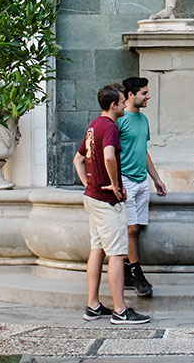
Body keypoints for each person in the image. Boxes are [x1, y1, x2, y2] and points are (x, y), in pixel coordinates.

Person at [73, 84, 150, 325]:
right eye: (120, 101)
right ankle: (120, 310)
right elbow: (108, 155)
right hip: (106, 201)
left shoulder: (93, 125)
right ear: (114, 105)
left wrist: (89, 183)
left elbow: (78, 159)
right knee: (117, 254)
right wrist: (115, 185)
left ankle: (93, 305)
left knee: (97, 249)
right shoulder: (110, 127)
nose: (124, 105)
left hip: (92, 197)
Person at [118, 76, 168, 297]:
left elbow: (142, 151)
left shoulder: (143, 120)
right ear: (131, 95)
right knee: (131, 229)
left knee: (136, 229)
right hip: (125, 179)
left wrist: (156, 179)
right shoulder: (119, 120)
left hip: (141, 180)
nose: (148, 96)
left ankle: (129, 271)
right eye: (144, 93)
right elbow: (111, 153)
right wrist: (117, 182)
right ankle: (137, 275)